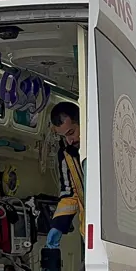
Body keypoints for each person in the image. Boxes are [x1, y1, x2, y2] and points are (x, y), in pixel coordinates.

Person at [46, 102, 84, 248]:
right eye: (64, 137)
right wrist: (58, 225)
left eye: (71, 133)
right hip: (89, 232)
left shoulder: (103, 143)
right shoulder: (66, 155)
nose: (70, 140)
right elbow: (70, 194)